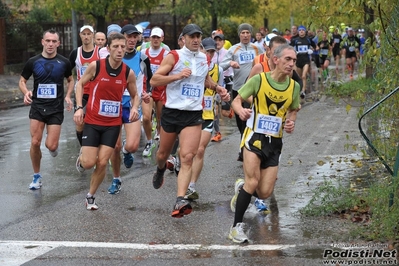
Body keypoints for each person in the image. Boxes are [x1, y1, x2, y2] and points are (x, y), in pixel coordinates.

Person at [150, 24, 229, 218]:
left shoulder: (204, 58)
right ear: (183, 38)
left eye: (198, 37)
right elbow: (155, 80)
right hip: (171, 112)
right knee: (162, 154)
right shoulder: (174, 56)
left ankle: (180, 199)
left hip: (193, 114)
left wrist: (217, 88)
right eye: (192, 37)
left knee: (187, 157)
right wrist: (177, 76)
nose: (195, 40)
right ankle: (160, 169)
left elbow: (205, 80)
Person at [228, 44, 299, 243]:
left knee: (264, 192)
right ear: (276, 59)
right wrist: (240, 111)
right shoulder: (259, 80)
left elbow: (294, 109)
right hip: (254, 137)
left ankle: (241, 187)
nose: (291, 64)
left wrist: (291, 121)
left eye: (294, 60)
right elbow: (236, 99)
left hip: (275, 142)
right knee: (253, 182)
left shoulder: (294, 86)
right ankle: (236, 228)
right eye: (288, 59)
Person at [74, 33, 139, 210]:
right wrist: (80, 107)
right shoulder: (96, 66)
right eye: (116, 46)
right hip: (93, 122)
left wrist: (134, 108)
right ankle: (81, 158)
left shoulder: (128, 72)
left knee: (102, 162)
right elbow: (80, 84)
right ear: (108, 48)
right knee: (89, 163)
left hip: (112, 125)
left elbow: (135, 95)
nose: (119, 50)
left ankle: (91, 196)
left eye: (123, 47)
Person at [19, 29, 74, 190]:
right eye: (47, 41)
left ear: (58, 43)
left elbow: (70, 80)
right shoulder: (33, 61)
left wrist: (68, 96)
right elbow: (22, 81)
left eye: (53, 41)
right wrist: (26, 92)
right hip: (37, 107)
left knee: (52, 146)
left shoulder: (64, 62)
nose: (50, 44)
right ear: (42, 42)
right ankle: (36, 176)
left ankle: (53, 147)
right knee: (35, 142)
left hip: (55, 109)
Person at [107, 24, 152, 194]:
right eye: (129, 36)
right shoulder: (112, 57)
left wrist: (147, 93)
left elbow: (151, 79)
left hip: (133, 105)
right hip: (113, 106)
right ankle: (116, 179)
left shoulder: (142, 58)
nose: (132, 40)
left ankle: (128, 151)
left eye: (135, 37)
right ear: (122, 37)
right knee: (115, 146)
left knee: (132, 146)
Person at [185, 37, 224, 200]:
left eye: (211, 52)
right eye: (205, 50)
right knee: (187, 152)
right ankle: (183, 171)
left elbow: (219, 92)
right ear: (200, 50)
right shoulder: (190, 67)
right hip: (189, 113)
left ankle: (191, 186)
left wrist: (222, 104)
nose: (208, 54)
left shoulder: (219, 70)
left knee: (200, 150)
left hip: (207, 114)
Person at [220, 23, 261, 161]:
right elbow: (220, 65)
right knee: (240, 121)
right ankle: (244, 144)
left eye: (247, 33)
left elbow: (266, 62)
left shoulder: (257, 48)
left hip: (254, 90)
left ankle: (246, 149)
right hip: (238, 89)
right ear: (239, 34)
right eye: (242, 33)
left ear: (251, 34)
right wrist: (230, 64)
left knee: (250, 118)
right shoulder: (233, 49)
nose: (245, 35)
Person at [69, 25, 100, 146]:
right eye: (84, 34)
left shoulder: (100, 52)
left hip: (97, 93)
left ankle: (96, 147)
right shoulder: (75, 53)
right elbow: (67, 71)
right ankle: (83, 147)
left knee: (96, 122)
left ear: (93, 35)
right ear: (80, 36)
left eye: (89, 34)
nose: (86, 37)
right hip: (81, 92)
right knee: (80, 122)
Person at [211, 32, 234, 142]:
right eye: (216, 40)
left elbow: (233, 66)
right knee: (215, 109)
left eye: (220, 40)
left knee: (224, 113)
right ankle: (217, 133)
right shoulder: (211, 53)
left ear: (224, 42)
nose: (217, 42)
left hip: (226, 83)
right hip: (215, 84)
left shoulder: (228, 53)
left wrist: (230, 77)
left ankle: (231, 110)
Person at [289, 25, 316, 99]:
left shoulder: (308, 40)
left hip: (306, 60)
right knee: (300, 77)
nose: (301, 31)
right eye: (300, 30)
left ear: (305, 31)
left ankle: (303, 91)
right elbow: (289, 48)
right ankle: (302, 88)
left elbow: (315, 47)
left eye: (303, 30)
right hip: (298, 61)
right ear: (298, 31)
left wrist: (311, 50)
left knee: (304, 75)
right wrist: (294, 52)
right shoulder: (295, 40)